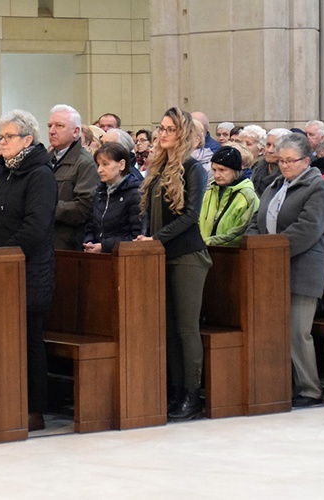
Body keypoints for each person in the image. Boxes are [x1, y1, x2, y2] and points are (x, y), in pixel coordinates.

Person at [0, 109, 57, 433]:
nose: (0, 143)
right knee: (3, 338)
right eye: (0, 137)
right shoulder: (3, 173)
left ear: (27, 140)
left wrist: (2, 256)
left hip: (28, 273)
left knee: (30, 339)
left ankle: (34, 408)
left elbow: (36, 227)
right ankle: (5, 399)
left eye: (7, 137)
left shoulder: (40, 176)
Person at [136, 107, 212, 422]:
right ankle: (176, 391)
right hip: (161, 255)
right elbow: (148, 214)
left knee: (185, 328)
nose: (163, 134)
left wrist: (156, 239)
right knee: (168, 329)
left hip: (187, 255)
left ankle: (193, 395)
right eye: (161, 128)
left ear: (182, 134)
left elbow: (191, 216)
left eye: (170, 129)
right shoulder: (158, 168)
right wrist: (146, 239)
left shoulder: (193, 168)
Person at [246, 133, 324, 408]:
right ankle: (288, 383)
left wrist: (272, 251)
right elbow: (257, 219)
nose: (284, 166)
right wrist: (254, 244)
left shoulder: (317, 187)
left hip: (303, 267)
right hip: (273, 268)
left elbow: (308, 228)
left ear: (306, 160)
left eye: (290, 161)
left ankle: (310, 388)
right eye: (281, 161)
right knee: (278, 330)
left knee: (297, 330)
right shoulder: (275, 185)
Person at [47, 104, 99, 250]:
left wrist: (46, 208)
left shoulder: (85, 163)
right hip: (46, 240)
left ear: (76, 132)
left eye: (59, 126)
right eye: (50, 125)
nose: (52, 131)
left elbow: (83, 207)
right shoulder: (46, 159)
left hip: (68, 243)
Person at [83, 142, 141, 253]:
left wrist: (104, 246)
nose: (99, 170)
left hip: (123, 258)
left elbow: (136, 236)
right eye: (98, 165)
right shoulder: (99, 192)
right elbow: (90, 225)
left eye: (105, 164)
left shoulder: (135, 193)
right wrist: (89, 241)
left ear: (121, 165)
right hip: (98, 257)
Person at [199, 145, 259, 246]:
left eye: (222, 170)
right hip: (205, 251)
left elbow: (241, 231)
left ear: (235, 170)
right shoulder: (210, 191)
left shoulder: (247, 196)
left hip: (231, 254)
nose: (217, 175)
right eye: (214, 170)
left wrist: (208, 242)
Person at [251, 128, 291, 197]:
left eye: (275, 146)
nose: (270, 150)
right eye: (268, 145)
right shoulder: (257, 169)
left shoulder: (289, 175)